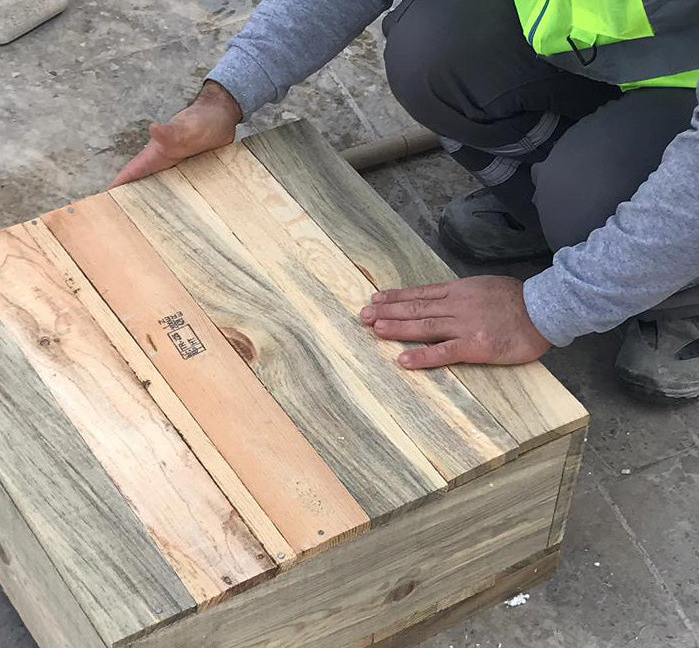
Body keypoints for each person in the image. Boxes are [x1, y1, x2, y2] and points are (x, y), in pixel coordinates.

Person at [115, 0, 699, 400]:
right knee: (432, 53)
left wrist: (552, 307)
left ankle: (678, 297)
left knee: (586, 197)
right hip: (612, 45)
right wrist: (226, 96)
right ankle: (555, 213)